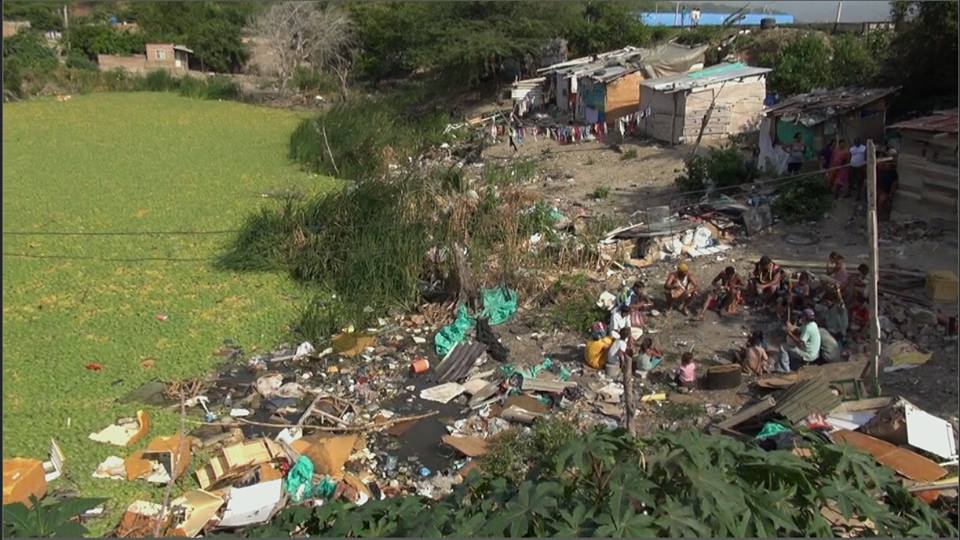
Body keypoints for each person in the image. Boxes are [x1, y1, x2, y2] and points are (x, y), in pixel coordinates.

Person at [775, 308, 821, 373]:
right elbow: (799, 330)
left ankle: (784, 370)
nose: (801, 317)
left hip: (808, 355)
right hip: (814, 352)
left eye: (802, 316)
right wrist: (790, 326)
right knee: (791, 345)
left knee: (783, 347)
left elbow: (800, 343)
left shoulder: (808, 328)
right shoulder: (813, 324)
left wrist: (789, 333)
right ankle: (793, 364)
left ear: (805, 317)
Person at [877, 149, 898, 220]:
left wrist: (891, 194)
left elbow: (894, 184)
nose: (886, 166)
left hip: (886, 191)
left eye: (888, 165)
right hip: (879, 188)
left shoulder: (893, 173)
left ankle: (878, 216)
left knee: (881, 202)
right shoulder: (883, 169)